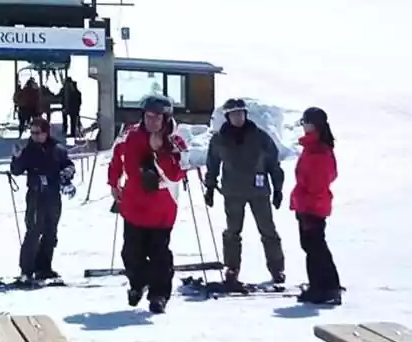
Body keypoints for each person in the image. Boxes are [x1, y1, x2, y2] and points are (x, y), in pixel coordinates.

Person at [107, 94, 188, 313]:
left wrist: (161, 151)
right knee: (131, 253)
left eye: (157, 117)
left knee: (159, 254)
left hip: (162, 208)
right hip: (133, 205)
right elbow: (117, 160)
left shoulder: (175, 140)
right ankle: (137, 283)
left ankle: (159, 295)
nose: (152, 121)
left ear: (166, 118)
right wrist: (114, 184)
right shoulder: (130, 136)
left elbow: (178, 173)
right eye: (149, 116)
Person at [203, 98, 285, 288]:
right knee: (232, 233)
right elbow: (212, 164)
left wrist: (278, 188)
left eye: (241, 113)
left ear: (245, 114)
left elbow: (274, 164)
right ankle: (232, 268)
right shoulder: (220, 139)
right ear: (227, 117)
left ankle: (277, 268)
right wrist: (210, 187)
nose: (238, 117)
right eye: (234, 114)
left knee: (268, 231)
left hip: (259, 192)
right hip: (233, 192)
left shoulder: (260, 136)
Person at [9, 116, 76, 282]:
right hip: (35, 195)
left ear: (46, 133)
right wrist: (16, 158)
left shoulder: (57, 149)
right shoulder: (29, 150)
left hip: (53, 195)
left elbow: (68, 165)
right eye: (32, 133)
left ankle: (44, 267)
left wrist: (67, 174)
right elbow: (16, 170)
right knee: (33, 231)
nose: (34, 136)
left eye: (38, 133)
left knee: (50, 232)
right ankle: (27, 269)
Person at [290, 106, 340, 305]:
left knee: (315, 247)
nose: (304, 126)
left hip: (312, 206)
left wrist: (307, 202)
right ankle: (325, 285)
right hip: (309, 204)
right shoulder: (313, 146)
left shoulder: (319, 150)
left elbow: (319, 182)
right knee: (313, 246)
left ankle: (323, 288)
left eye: (306, 122)